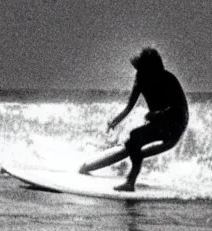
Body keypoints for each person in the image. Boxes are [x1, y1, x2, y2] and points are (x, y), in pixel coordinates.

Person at [79, 47, 189, 191]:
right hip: (160, 123)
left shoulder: (168, 79)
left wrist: (159, 115)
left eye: (144, 68)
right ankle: (128, 180)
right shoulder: (141, 80)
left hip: (176, 124)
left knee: (134, 139)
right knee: (132, 144)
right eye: (139, 68)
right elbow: (129, 107)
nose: (139, 72)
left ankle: (130, 182)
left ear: (154, 67)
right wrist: (115, 121)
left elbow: (180, 109)